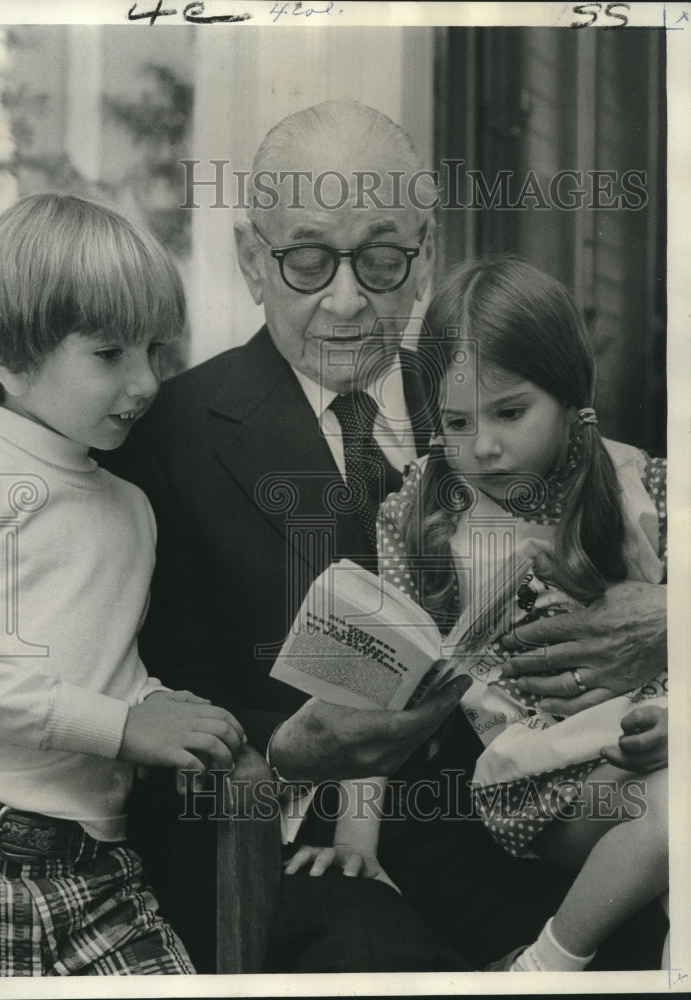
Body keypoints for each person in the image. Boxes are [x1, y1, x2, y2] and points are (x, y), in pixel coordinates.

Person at [101, 100, 668, 971]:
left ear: (425, 254)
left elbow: (635, 520)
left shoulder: (506, 396)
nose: (345, 298)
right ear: (253, 261)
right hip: (326, 855)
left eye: (378, 257)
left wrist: (668, 620)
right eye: (305, 260)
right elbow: (142, 705)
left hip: (561, 819)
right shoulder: (167, 439)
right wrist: (289, 753)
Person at [285, 256, 668, 972]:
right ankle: (544, 969)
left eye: (510, 412)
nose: (482, 445)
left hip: (655, 745)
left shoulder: (641, 481)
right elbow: (379, 678)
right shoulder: (419, 513)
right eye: (456, 421)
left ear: (569, 395)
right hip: (540, 785)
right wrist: (356, 839)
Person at [0, 193, 245, 977]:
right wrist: (124, 727)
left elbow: (100, 664)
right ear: (8, 354)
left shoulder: (130, 506)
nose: (145, 383)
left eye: (154, 352)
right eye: (110, 355)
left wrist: (157, 708)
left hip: (98, 868)